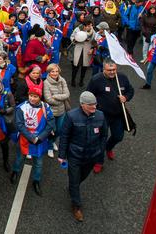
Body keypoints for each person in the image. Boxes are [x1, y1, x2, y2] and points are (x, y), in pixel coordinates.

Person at [58, 91, 107, 222]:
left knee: (82, 177)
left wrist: (100, 150)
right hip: (75, 155)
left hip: (92, 155)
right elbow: (65, 136)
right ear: (82, 105)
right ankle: (76, 206)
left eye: (95, 104)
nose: (94, 108)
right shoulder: (71, 116)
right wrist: (62, 155)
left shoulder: (100, 116)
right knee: (74, 180)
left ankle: (73, 188)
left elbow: (103, 135)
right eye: (91, 105)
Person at [86, 59, 134, 169]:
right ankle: (99, 161)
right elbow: (88, 95)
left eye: (114, 69)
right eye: (109, 70)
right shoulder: (96, 79)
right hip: (102, 116)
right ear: (103, 69)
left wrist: (126, 97)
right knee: (101, 139)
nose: (112, 72)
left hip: (118, 115)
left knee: (118, 137)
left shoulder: (122, 78)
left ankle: (108, 148)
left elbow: (130, 90)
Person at [10, 83, 54, 195]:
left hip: (40, 140)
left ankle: (36, 180)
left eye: (35, 96)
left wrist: (40, 138)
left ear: (40, 97)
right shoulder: (21, 107)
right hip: (25, 139)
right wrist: (31, 137)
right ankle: (15, 171)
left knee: (38, 162)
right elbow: (19, 124)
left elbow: (50, 124)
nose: (32, 98)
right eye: (31, 95)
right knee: (20, 158)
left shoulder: (46, 107)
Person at [43, 63, 70, 158]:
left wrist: (56, 96)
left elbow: (67, 94)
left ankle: (53, 141)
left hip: (61, 111)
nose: (55, 73)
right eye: (52, 71)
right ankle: (49, 146)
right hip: (51, 112)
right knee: (52, 130)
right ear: (49, 73)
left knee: (59, 130)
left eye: (56, 71)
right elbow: (48, 99)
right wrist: (61, 99)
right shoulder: (46, 83)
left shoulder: (62, 80)